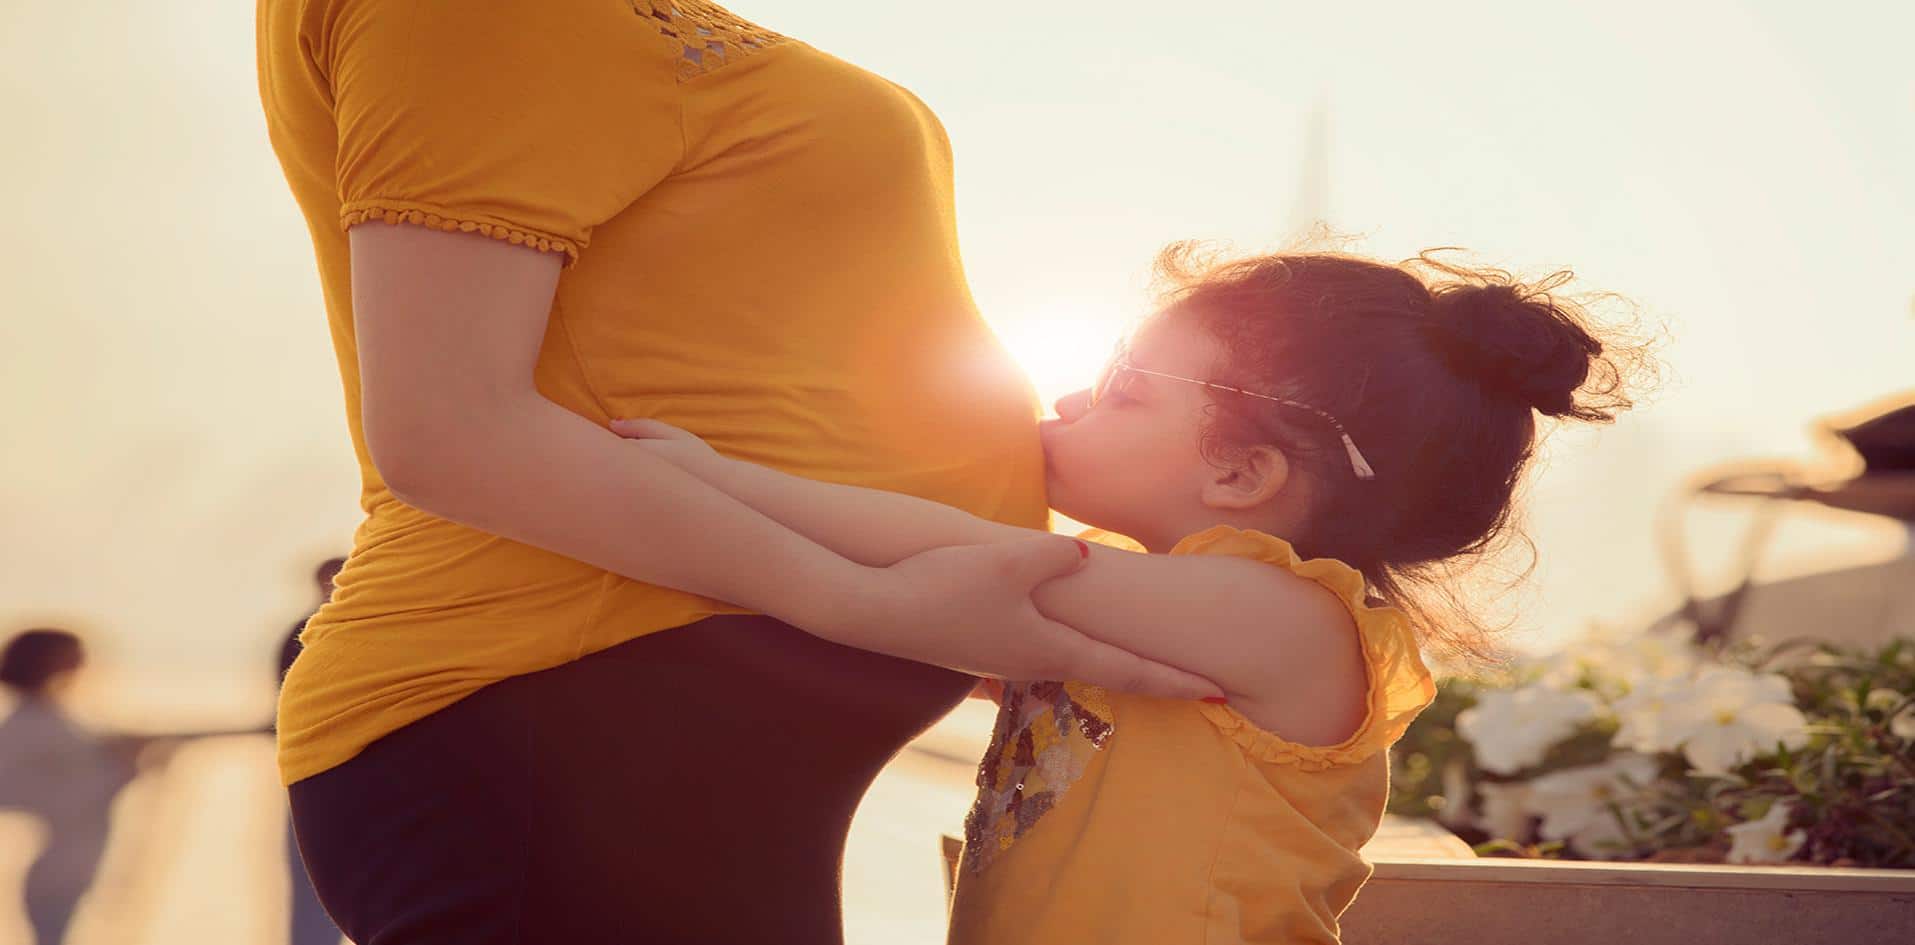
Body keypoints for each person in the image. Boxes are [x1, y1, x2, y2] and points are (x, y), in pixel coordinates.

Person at [256, 2, 1215, 942]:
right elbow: (451, 430)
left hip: (638, 728)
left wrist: (948, 606)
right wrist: (869, 603)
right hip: (560, 705)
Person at [610, 245, 1655, 943]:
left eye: (1123, 392)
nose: (1067, 398)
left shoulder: (1280, 617)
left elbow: (953, 553)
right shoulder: (1176, 607)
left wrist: (717, 477)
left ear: (1239, 476)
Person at [0, 629, 136, 945]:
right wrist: (118, 768)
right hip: (54, 870)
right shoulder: (30, 724)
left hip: (74, 866)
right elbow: (16, 792)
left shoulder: (55, 718)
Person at [275, 559, 344, 945]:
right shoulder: (306, 633)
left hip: (329, 769)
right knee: (315, 883)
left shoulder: (323, 630)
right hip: (316, 770)